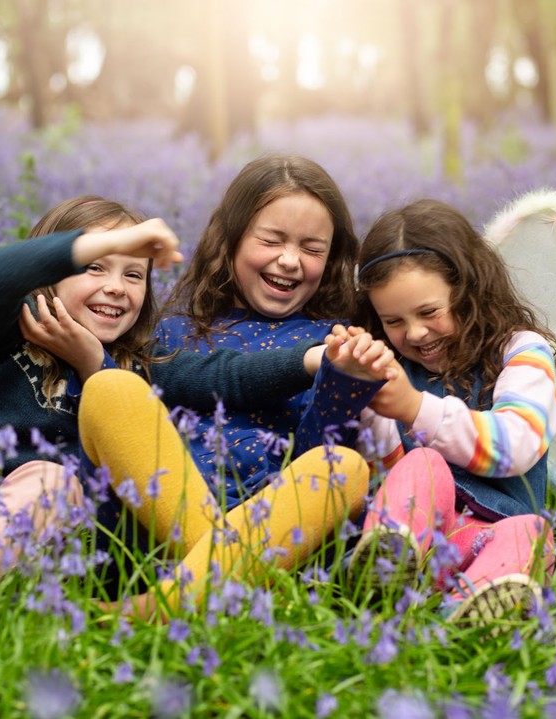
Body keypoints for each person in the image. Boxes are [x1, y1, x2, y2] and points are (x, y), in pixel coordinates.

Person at [0, 196, 329, 588]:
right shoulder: (5, 334)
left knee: (54, 482)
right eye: (95, 267)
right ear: (45, 276)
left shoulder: (144, 367)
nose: (117, 286)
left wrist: (316, 357)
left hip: (16, 536)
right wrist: (92, 241)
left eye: (134, 274)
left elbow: (228, 377)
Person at [69, 156, 395, 618]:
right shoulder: (175, 330)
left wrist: (345, 385)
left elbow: (308, 456)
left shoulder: (336, 341)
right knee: (109, 389)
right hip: (153, 538)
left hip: (272, 534)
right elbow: (132, 436)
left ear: (334, 257)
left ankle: (163, 604)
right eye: (271, 239)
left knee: (342, 467)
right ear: (231, 239)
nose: (289, 259)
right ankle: (221, 583)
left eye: (312, 248)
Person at [343, 198, 556, 630]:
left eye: (429, 312)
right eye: (393, 321)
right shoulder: (392, 370)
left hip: (492, 536)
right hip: (422, 544)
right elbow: (381, 477)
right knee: (421, 464)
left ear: (469, 291)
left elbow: (516, 444)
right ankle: (387, 573)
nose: (416, 333)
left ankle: (468, 606)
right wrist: (365, 398)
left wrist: (415, 408)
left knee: (533, 533)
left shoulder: (520, 352)